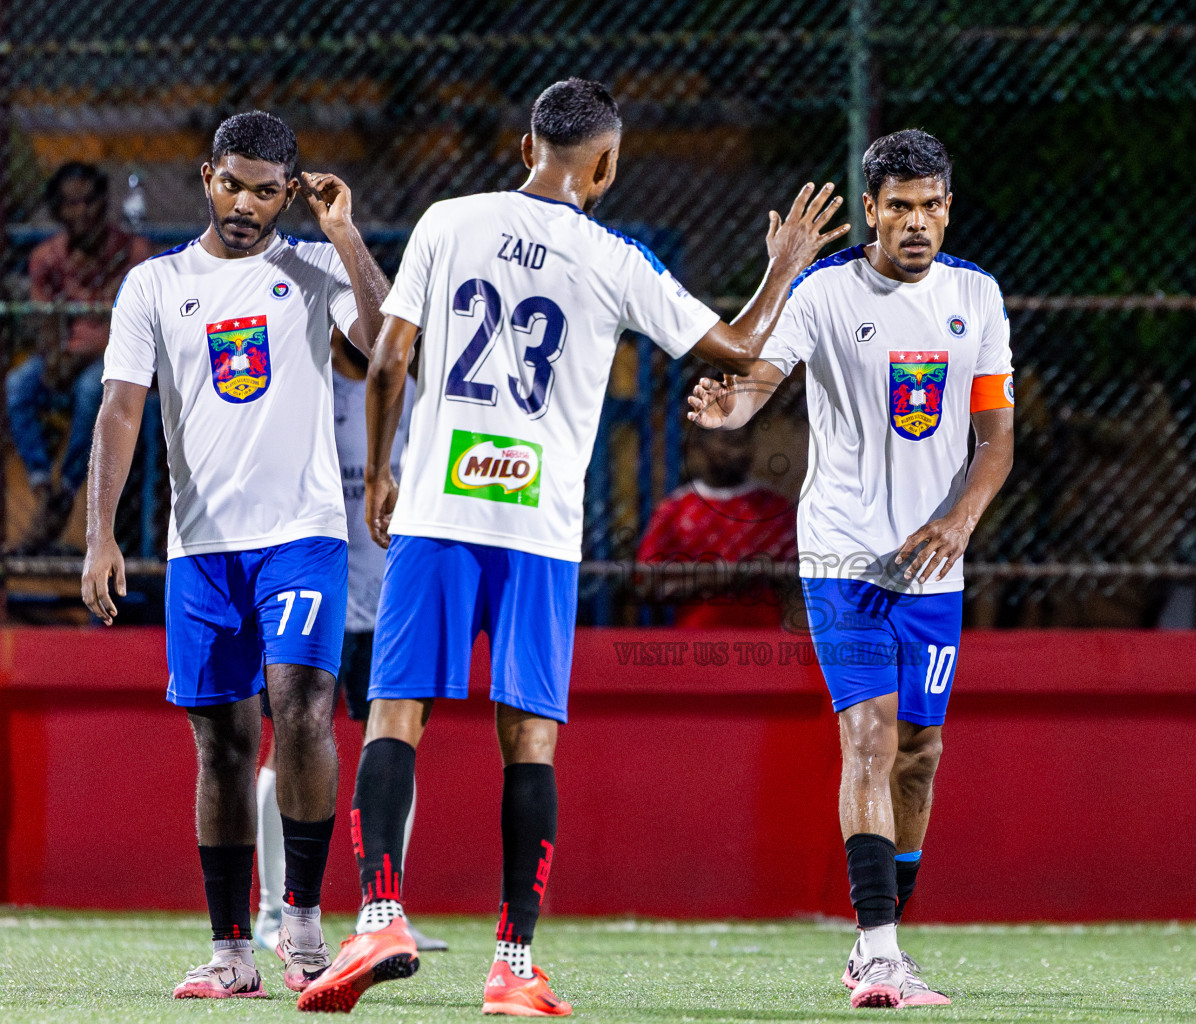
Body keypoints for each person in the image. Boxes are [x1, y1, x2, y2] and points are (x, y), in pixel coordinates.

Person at [295, 77, 847, 1015]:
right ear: (607, 166)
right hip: (536, 530)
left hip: (435, 514)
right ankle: (512, 966)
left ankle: (380, 913)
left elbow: (389, 359)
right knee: (530, 739)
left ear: (524, 150)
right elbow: (742, 348)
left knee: (396, 715)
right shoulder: (612, 259)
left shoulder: (448, 220)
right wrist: (783, 265)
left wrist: (385, 477)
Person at [686, 129, 1014, 1009]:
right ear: (870, 210)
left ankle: (884, 938)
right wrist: (733, 406)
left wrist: (961, 517)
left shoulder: (976, 297)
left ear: (950, 206)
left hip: (935, 564)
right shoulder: (826, 293)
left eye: (932, 205)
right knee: (867, 737)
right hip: (841, 556)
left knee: (920, 753)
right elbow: (760, 376)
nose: (917, 222)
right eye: (900, 206)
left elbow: (996, 440)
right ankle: (877, 952)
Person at [81, 111, 389, 999]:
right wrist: (102, 532)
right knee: (220, 744)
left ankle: (300, 925)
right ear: (207, 175)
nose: (247, 204)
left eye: (266, 189)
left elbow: (380, 344)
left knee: (302, 705)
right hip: (202, 549)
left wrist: (346, 234)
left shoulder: (315, 266)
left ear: (289, 190)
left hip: (302, 534)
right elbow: (119, 410)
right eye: (232, 183)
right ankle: (230, 952)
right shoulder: (153, 284)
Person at [253, 336, 446, 954]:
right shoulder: (304, 392)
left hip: (391, 598)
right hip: (313, 591)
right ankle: (270, 911)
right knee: (285, 746)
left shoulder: (414, 395)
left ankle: (383, 909)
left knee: (392, 742)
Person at [10, 162, 150, 552]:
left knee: (93, 391)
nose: (82, 212)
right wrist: (54, 356)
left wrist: (82, 356)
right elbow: (45, 321)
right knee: (18, 385)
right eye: (71, 204)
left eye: (90, 202)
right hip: (67, 355)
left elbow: (134, 329)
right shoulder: (48, 257)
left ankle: (69, 490)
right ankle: (42, 486)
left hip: (117, 360)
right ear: (58, 210)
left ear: (104, 204)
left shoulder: (132, 254)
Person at [635, 424, 797, 627]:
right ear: (699, 445)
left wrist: (755, 575)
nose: (739, 452)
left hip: (762, 642)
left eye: (744, 441)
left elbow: (798, 578)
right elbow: (647, 584)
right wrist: (715, 580)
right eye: (728, 442)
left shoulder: (772, 507)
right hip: (694, 643)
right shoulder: (675, 511)